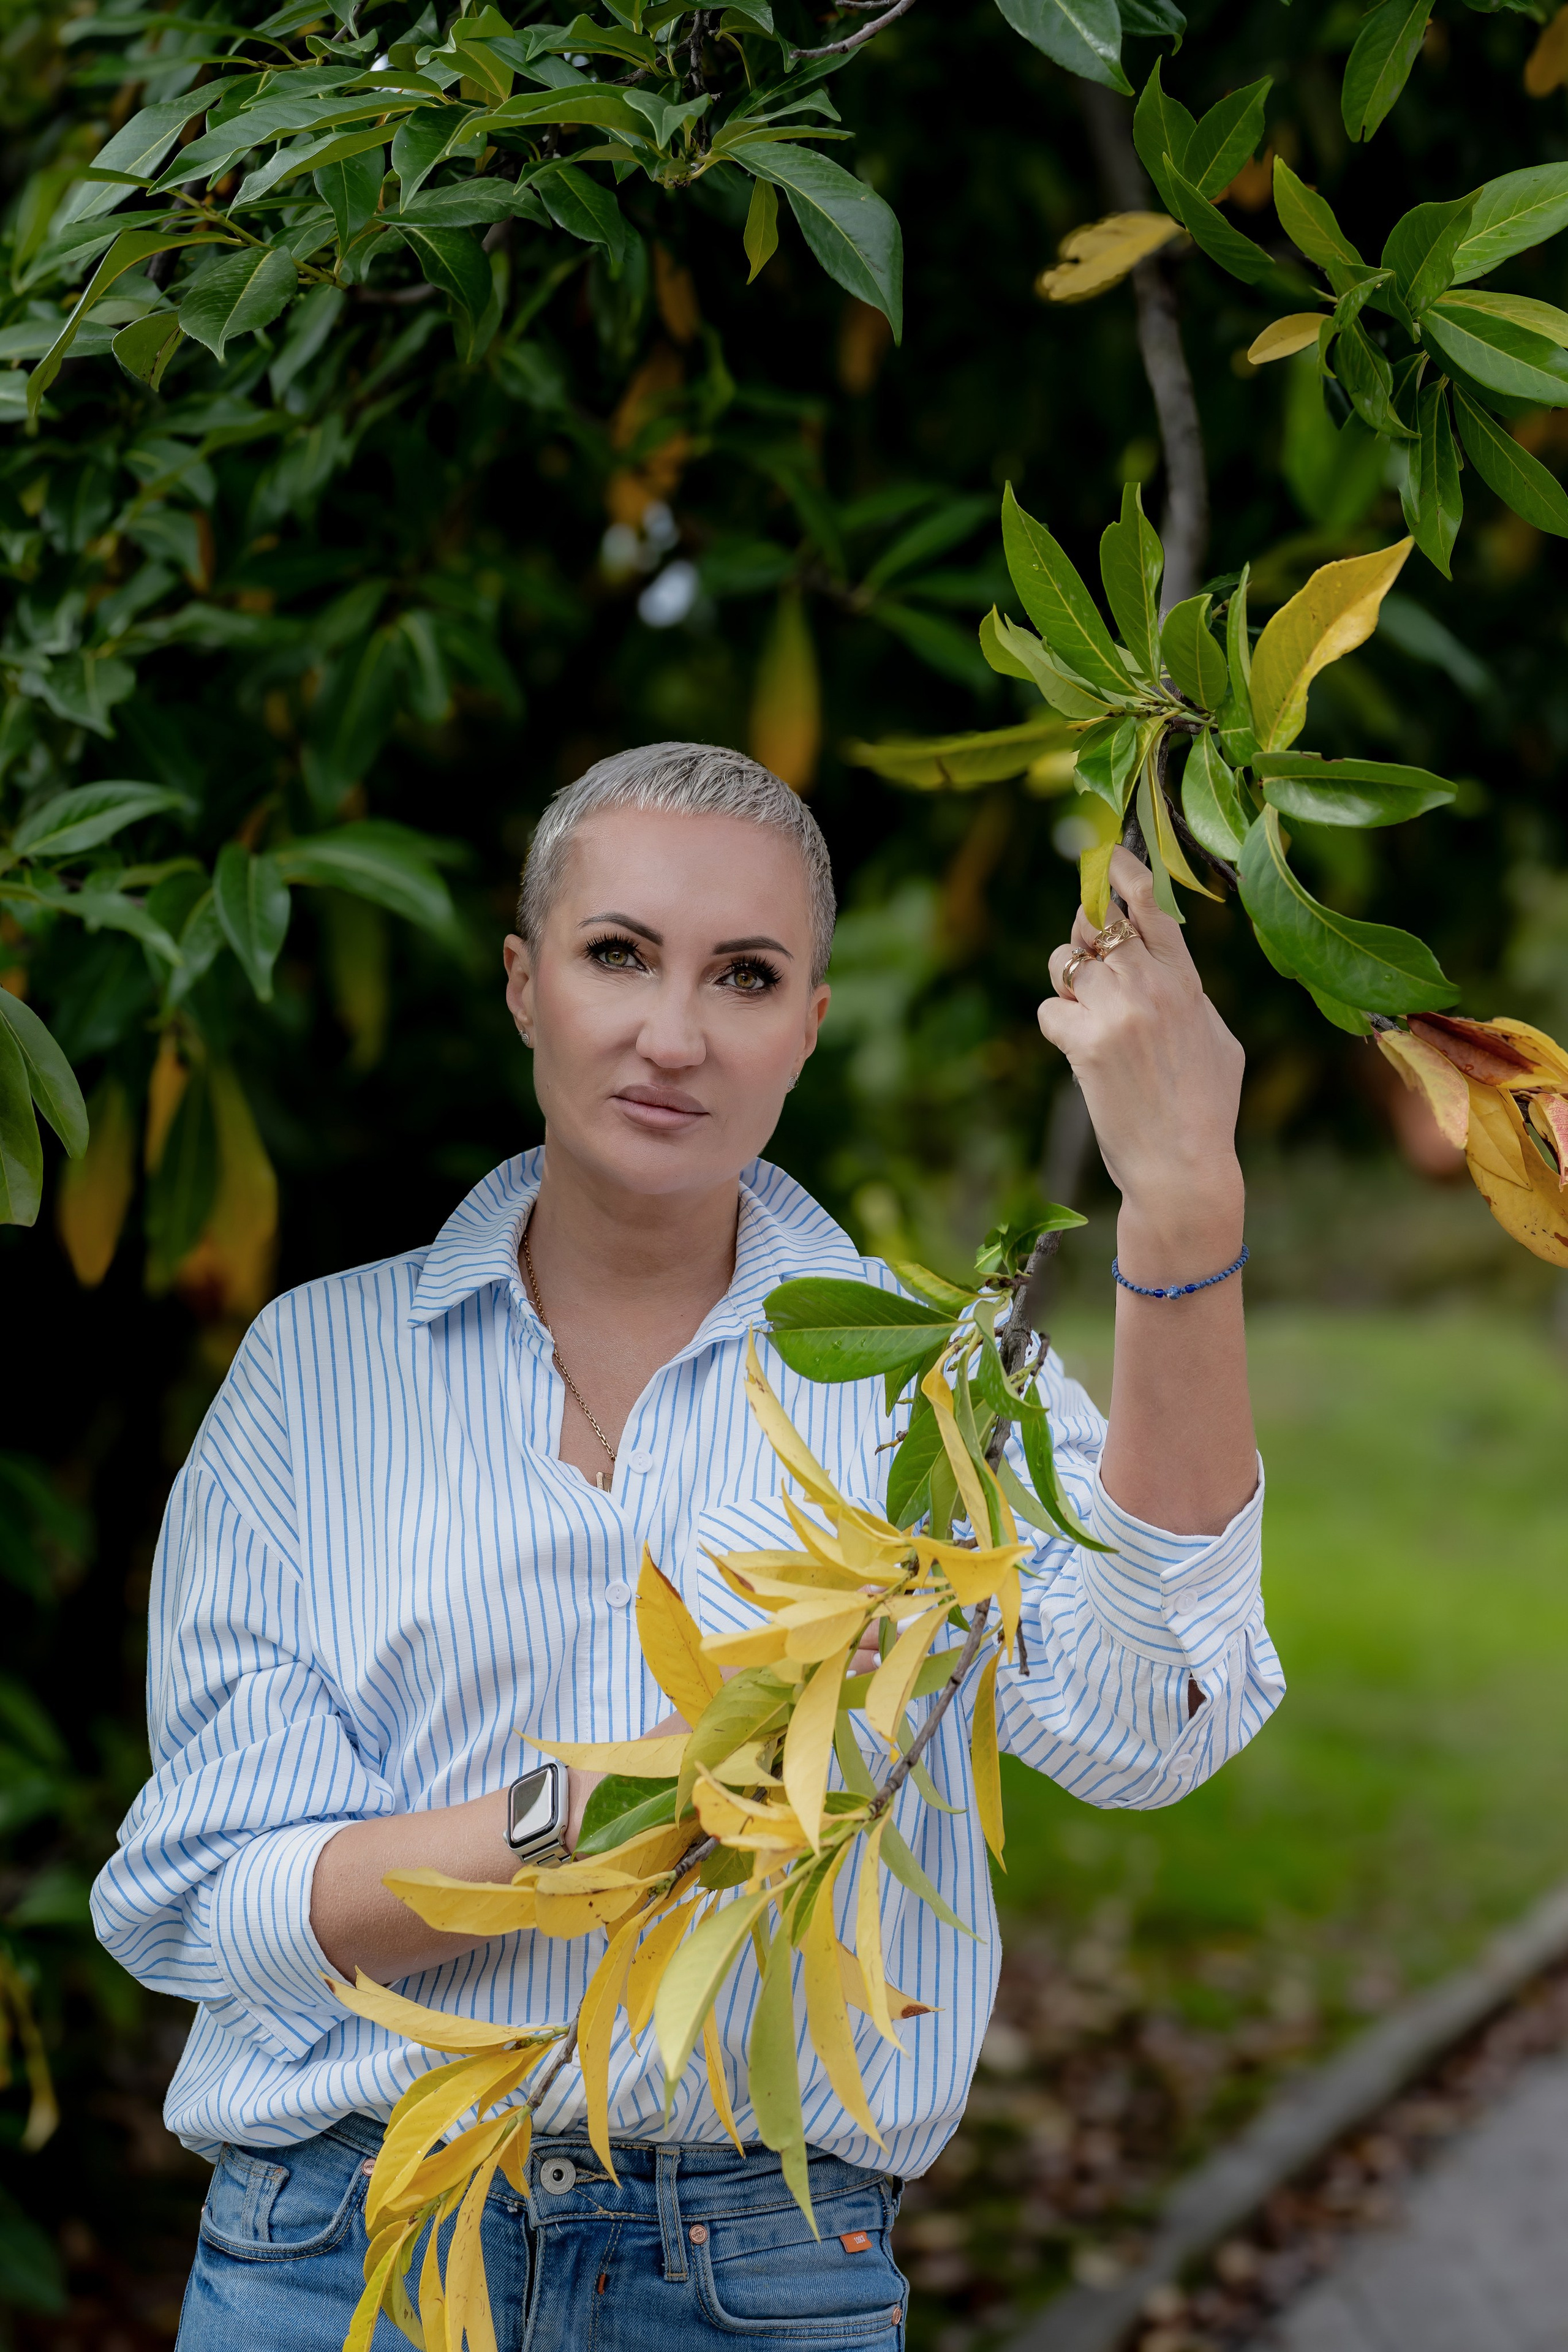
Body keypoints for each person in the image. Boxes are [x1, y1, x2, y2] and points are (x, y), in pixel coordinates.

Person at [92, 742, 1281, 2351]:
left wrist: (1181, 1211)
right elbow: (218, 1908)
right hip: (347, 2243)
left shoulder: (939, 1383)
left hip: (757, 2271)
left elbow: (1157, 1721)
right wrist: (610, 1802)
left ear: (809, 1024)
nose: (671, 1033)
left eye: (744, 975)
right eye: (617, 956)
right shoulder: (319, 1373)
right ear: (524, 985)